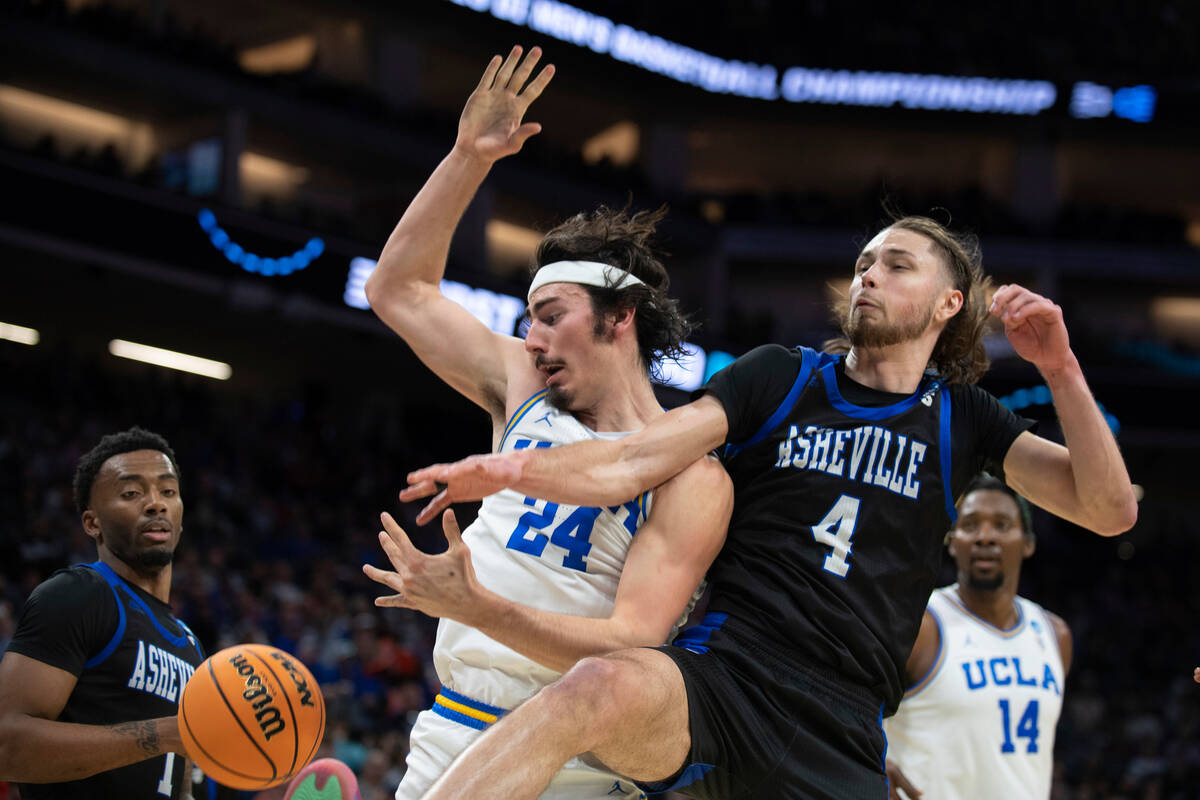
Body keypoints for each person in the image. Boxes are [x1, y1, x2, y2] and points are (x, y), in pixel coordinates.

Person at [400, 186, 1138, 796]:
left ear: (948, 303)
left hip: (844, 721)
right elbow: (632, 462)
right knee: (591, 690)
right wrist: (507, 469)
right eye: (864, 262)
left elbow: (1109, 510)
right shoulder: (780, 376)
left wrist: (1062, 368)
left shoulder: (966, 420)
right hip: (725, 677)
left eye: (896, 265)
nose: (869, 275)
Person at [360, 45, 731, 800]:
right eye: (528, 319)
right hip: (457, 729)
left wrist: (478, 608)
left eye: (551, 317)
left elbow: (633, 641)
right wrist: (469, 156)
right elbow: (397, 289)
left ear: (619, 318)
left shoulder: (691, 471)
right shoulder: (525, 387)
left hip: (585, 762)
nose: (531, 339)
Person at [0, 427, 205, 799]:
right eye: (131, 493)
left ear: (180, 514)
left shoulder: (190, 643)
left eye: (168, 491)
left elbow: (180, 785)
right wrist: (163, 734)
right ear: (92, 523)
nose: (155, 503)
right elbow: (6, 746)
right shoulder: (79, 595)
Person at [882, 474, 1071, 800]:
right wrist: (869, 762)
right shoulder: (921, 624)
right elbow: (840, 700)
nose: (985, 537)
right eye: (970, 525)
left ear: (1028, 543)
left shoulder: (1055, 635)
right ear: (952, 541)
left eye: (1001, 524)